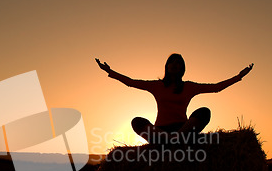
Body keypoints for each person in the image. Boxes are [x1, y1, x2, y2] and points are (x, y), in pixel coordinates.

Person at [95, 53, 254, 144]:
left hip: (183, 130)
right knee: (136, 121)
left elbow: (216, 88)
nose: (176, 65)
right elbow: (131, 82)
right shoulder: (157, 86)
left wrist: (238, 77)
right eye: (173, 62)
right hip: (160, 132)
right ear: (167, 66)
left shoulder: (189, 87)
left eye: (180, 63)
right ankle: (171, 140)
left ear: (183, 68)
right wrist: (110, 71)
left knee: (204, 112)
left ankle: (175, 139)